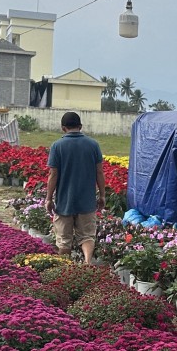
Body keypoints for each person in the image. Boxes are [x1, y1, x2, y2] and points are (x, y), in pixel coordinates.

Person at [46, 111, 106, 264]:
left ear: (63, 128)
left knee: (64, 239)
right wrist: (102, 195)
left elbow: (53, 175)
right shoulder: (93, 145)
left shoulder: (57, 146)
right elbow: (99, 172)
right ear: (80, 126)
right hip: (86, 200)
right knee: (87, 236)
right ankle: (87, 262)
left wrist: (48, 198)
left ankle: (65, 269)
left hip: (64, 200)